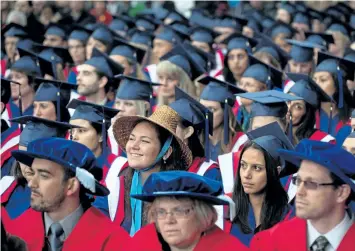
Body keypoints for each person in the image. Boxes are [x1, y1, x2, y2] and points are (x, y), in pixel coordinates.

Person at [8, 137, 129, 251]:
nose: (31, 183)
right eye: (33, 173)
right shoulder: (14, 232)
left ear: (71, 185)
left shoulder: (112, 242)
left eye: (44, 175)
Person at [94, 105, 193, 235]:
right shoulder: (115, 188)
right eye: (131, 139)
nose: (134, 146)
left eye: (145, 141)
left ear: (166, 152)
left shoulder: (180, 194)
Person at [252, 139, 355, 251]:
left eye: (311, 184)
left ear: (342, 193)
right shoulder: (269, 242)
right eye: (298, 180)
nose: (299, 192)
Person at [121, 171, 249, 251]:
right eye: (161, 212)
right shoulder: (143, 241)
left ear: (203, 215)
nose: (169, 220)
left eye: (179, 211)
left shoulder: (228, 248)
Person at [1, 116, 78, 231]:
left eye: (33, 156)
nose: (26, 165)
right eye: (22, 156)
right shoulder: (5, 187)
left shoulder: (66, 198)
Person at [228, 122, 292, 247]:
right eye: (243, 165)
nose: (246, 175)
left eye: (256, 168)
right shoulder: (228, 212)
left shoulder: (288, 217)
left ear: (276, 171)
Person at [67, 98, 119, 180]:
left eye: (81, 131)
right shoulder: (66, 166)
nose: (74, 137)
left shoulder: (117, 168)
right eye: (71, 131)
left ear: (101, 135)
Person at [109, 75, 159, 156]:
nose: (120, 109)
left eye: (128, 104)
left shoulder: (155, 136)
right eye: (117, 103)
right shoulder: (108, 134)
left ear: (146, 106)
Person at [199, 76, 245, 161]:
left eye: (212, 109)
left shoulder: (240, 143)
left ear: (225, 113)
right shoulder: (194, 139)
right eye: (202, 108)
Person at [285, 73, 335, 144]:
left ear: (308, 113)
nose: (288, 109)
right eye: (288, 101)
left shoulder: (322, 141)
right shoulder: (274, 134)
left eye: (298, 107)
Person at [237, 55, 284, 131]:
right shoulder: (238, 113)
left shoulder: (268, 118)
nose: (242, 88)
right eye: (241, 83)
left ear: (263, 89)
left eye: (248, 85)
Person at [312, 51, 355, 136]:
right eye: (314, 80)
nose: (316, 84)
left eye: (323, 80)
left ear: (337, 84)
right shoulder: (308, 113)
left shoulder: (352, 115)